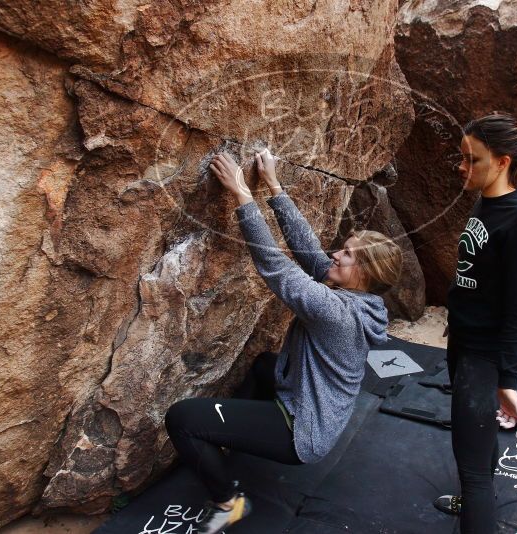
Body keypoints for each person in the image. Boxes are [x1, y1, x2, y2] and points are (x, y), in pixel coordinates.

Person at [164, 148, 403, 533]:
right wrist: (273, 186)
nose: (334, 254)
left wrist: (242, 193)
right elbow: (308, 249)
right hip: (314, 405)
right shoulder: (363, 297)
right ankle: (228, 439)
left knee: (183, 417)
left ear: (365, 273)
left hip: (301, 431)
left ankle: (230, 503)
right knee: (263, 366)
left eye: (347, 254)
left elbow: (275, 266)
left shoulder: (336, 312)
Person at [434, 113, 517, 534]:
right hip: (464, 344)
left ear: (502, 162)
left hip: (483, 356)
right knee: (476, 448)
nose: (462, 167)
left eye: (472, 159)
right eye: (462, 157)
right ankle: (473, 501)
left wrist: (508, 379)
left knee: (473, 470)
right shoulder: (486, 200)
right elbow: (476, 278)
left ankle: (476, 509)